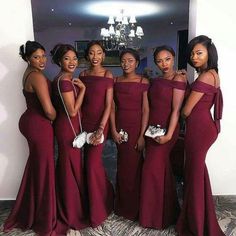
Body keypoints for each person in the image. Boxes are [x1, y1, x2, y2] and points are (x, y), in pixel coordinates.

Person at [3, 41, 57, 235]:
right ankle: (42, 216)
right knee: (44, 168)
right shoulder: (37, 77)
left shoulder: (29, 73)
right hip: (38, 124)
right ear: (27, 59)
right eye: (36, 57)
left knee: (37, 167)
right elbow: (50, 112)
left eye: (44, 56)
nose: (42, 60)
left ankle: (31, 209)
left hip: (30, 121)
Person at [176, 35, 225, 235]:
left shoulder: (206, 76)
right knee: (196, 173)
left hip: (199, 129)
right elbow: (199, 99)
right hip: (203, 127)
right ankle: (197, 218)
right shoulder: (211, 74)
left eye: (199, 53)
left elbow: (186, 110)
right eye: (192, 54)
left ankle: (196, 226)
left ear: (209, 54)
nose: (194, 57)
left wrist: (178, 108)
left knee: (193, 175)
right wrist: (188, 83)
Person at [139, 45, 187, 229]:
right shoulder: (157, 80)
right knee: (161, 170)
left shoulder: (179, 78)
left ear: (173, 57)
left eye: (167, 59)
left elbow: (176, 111)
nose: (163, 64)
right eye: (159, 60)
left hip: (168, 129)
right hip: (152, 129)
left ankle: (156, 218)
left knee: (152, 169)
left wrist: (168, 135)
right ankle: (167, 213)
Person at [51, 43, 89, 234]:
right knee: (69, 167)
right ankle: (70, 211)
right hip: (67, 128)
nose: (72, 62)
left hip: (65, 126)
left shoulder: (62, 78)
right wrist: (83, 90)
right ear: (59, 61)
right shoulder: (65, 81)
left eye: (75, 58)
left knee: (69, 165)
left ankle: (67, 205)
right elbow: (73, 110)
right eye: (67, 58)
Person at [110, 48, 149, 220]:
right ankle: (122, 205)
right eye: (123, 60)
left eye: (130, 61)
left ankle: (136, 206)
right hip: (121, 126)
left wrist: (142, 136)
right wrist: (113, 130)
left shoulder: (143, 81)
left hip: (136, 128)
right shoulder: (115, 81)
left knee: (135, 167)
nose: (126, 64)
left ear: (137, 63)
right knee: (122, 166)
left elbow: (146, 110)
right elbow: (111, 107)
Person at [79, 40, 114, 227]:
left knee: (92, 163)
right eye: (92, 53)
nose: (95, 56)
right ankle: (91, 201)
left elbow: (108, 105)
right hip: (83, 123)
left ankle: (100, 205)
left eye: (99, 53)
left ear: (103, 55)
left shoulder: (107, 74)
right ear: (87, 55)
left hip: (100, 123)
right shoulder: (83, 74)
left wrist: (101, 128)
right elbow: (81, 102)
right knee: (86, 164)